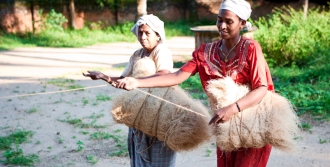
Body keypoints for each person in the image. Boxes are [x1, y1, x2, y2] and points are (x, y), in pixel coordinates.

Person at [115, 0, 274, 167]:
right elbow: (176, 76)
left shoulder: (250, 48)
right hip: (226, 128)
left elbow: (261, 88)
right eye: (220, 20)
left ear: (242, 23)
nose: (222, 26)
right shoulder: (206, 52)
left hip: (253, 125)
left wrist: (232, 109)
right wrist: (137, 82)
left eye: (229, 21)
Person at [83, 14, 177, 167]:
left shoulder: (161, 51)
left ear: (157, 35)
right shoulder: (137, 54)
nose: (143, 37)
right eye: (140, 33)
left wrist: (137, 82)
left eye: (147, 33)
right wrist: (103, 76)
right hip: (139, 113)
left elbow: (164, 74)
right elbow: (123, 79)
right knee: (140, 155)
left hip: (159, 114)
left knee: (159, 155)